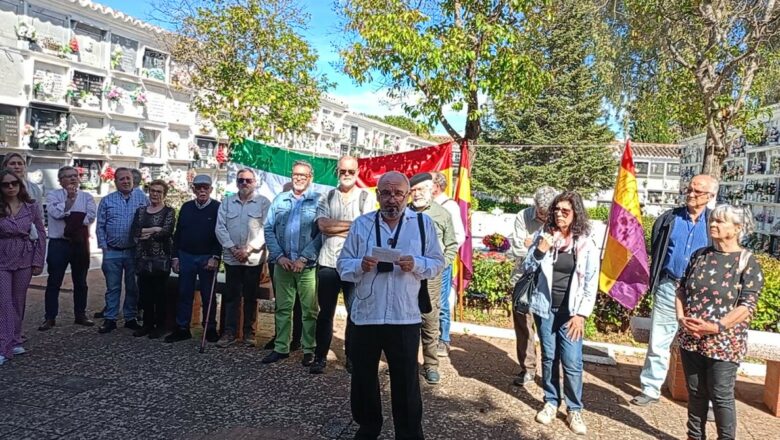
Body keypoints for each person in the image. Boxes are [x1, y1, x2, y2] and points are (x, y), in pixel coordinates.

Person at [338, 171, 445, 440]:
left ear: (407, 196)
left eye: (398, 193)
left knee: (406, 380)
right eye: (386, 193)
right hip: (367, 315)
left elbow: (438, 263)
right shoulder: (362, 225)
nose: (392, 199)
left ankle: (408, 433)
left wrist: (417, 264)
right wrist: (360, 265)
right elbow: (342, 265)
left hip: (404, 316)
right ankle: (367, 426)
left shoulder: (423, 224)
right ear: (377, 195)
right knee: (363, 377)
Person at [676, 204, 763, 440]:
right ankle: (694, 436)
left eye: (720, 221)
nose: (713, 224)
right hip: (691, 339)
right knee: (695, 392)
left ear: (737, 228)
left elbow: (747, 306)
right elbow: (681, 290)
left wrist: (715, 327)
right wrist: (682, 318)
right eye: (712, 220)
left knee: (721, 394)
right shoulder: (700, 255)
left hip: (724, 342)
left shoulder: (747, 261)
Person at [631, 174, 719, 406]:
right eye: (689, 189)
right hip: (669, 286)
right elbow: (657, 251)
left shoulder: (715, 223)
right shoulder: (668, 219)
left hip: (702, 294)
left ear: (710, 196)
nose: (691, 194)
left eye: (697, 191)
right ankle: (650, 390)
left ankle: (705, 399)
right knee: (658, 341)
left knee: (704, 345)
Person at [526, 191, 598, 436]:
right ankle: (550, 401)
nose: (559, 215)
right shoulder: (544, 236)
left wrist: (581, 315)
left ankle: (574, 408)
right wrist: (539, 251)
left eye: (565, 211)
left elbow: (590, 282)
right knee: (549, 357)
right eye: (556, 210)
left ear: (576, 213)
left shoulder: (585, 242)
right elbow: (527, 267)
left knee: (572, 361)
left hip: (571, 313)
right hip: (545, 308)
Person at [310, 156, 376, 374]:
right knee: (325, 313)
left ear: (358, 172)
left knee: (354, 313)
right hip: (328, 262)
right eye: (342, 171)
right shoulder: (327, 196)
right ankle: (320, 357)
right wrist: (353, 226)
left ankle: (351, 357)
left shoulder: (366, 196)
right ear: (337, 172)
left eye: (351, 171)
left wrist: (334, 226)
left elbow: (367, 229)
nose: (346, 175)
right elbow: (322, 225)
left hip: (355, 264)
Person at [263, 161, 322, 364]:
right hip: (283, 264)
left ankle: (309, 349)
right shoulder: (280, 200)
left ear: (310, 178)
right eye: (296, 174)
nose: (298, 178)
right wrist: (279, 256)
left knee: (309, 310)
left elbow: (322, 233)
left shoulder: (318, 201)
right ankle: (281, 347)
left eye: (303, 175)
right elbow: (268, 229)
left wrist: (304, 258)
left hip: (307, 266)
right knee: (282, 308)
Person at [408, 173, 457, 385]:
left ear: (431, 190)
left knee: (429, 319)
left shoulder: (442, 214)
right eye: (414, 190)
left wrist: (440, 266)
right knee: (407, 320)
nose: (417, 194)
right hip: (407, 275)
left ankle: (430, 365)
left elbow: (452, 245)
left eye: (421, 189)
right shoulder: (404, 212)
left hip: (431, 276)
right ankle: (406, 363)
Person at [508, 186, 559, 386]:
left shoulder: (560, 218)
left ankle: (550, 373)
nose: (543, 216)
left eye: (547, 214)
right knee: (524, 327)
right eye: (540, 212)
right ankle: (527, 368)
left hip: (549, 282)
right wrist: (538, 246)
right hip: (524, 279)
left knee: (548, 329)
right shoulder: (523, 216)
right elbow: (517, 248)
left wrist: (533, 244)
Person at [215, 169, 271, 348]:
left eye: (248, 180)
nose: (244, 184)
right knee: (232, 296)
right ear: (236, 182)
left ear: (255, 182)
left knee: (250, 296)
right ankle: (230, 332)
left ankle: (249, 332)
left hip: (253, 259)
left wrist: (248, 248)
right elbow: (220, 227)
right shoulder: (227, 202)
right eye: (241, 180)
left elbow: (266, 229)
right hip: (232, 258)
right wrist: (233, 248)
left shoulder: (263, 203)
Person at [38, 166, 97, 331]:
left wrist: (69, 214)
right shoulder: (52, 195)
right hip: (59, 243)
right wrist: (70, 202)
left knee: (81, 281)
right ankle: (50, 317)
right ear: (60, 179)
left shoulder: (86, 196)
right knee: (54, 281)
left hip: (79, 243)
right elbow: (55, 213)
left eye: (75, 176)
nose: (72, 179)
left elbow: (90, 217)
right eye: (68, 176)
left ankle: (80, 314)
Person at [165, 175, 222, 344]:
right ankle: (182, 328)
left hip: (207, 257)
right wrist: (175, 257)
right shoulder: (187, 207)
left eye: (205, 187)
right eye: (199, 188)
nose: (202, 191)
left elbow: (221, 234)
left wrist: (215, 256)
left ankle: (210, 327)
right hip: (186, 255)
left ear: (211, 189)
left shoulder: (218, 208)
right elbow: (178, 233)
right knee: (184, 293)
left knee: (208, 294)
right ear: (193, 189)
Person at [0, 170, 45, 365]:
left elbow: (41, 234)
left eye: (14, 183)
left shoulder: (31, 207)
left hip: (25, 256)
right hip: (2, 257)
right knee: (4, 302)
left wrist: (38, 260)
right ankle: (4, 346)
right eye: (6, 184)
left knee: (18, 301)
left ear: (20, 185)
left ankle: (16, 338)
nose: (10, 187)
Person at [96, 167, 149, 334]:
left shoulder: (142, 198)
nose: (125, 181)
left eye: (128, 179)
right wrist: (104, 248)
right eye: (121, 179)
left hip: (133, 251)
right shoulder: (107, 200)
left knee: (133, 286)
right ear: (115, 181)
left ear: (132, 180)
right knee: (113, 287)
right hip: (112, 250)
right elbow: (100, 226)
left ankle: (130, 317)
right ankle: (110, 318)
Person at [130, 180, 176, 339]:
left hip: (160, 258)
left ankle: (160, 325)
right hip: (142, 258)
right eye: (152, 190)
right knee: (145, 294)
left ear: (164, 194)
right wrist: (154, 228)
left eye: (159, 191)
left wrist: (151, 232)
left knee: (160, 294)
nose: (155, 194)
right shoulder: (141, 211)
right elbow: (135, 231)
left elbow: (165, 232)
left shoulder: (169, 211)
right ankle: (147, 324)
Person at [430, 172, 465, 357]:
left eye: (429, 184)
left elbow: (459, 235)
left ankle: (443, 339)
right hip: (424, 263)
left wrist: (445, 258)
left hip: (441, 262)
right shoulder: (424, 206)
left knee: (441, 301)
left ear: (436, 186)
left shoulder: (449, 206)